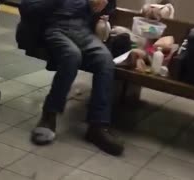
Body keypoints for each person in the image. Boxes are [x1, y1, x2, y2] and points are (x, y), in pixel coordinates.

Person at [30, 0, 124, 156]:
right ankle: (49, 115)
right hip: (56, 28)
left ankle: (97, 126)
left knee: (105, 60)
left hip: (83, 30)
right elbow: (29, 6)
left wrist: (104, 4)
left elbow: (109, 7)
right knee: (71, 56)